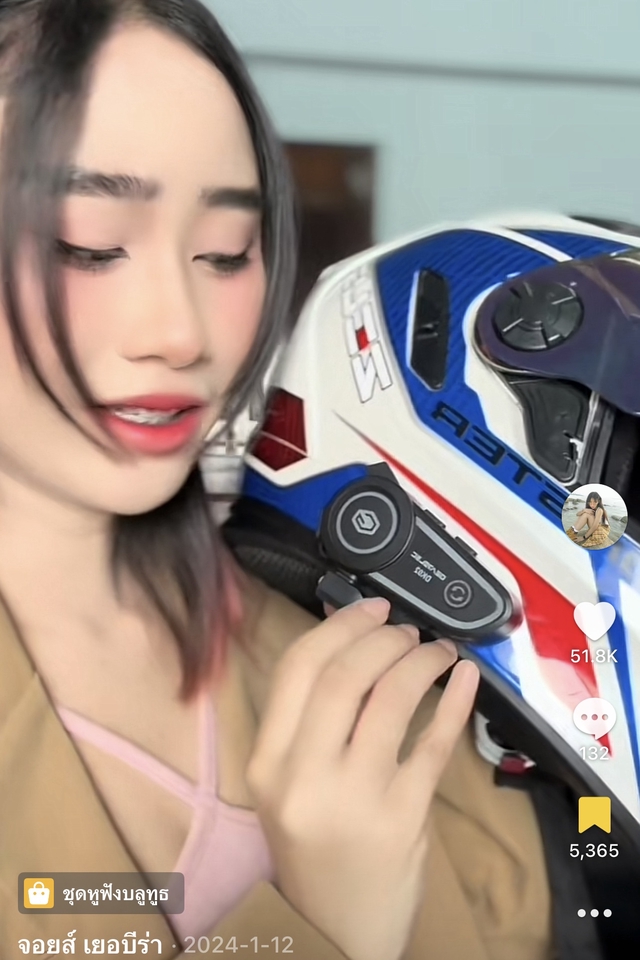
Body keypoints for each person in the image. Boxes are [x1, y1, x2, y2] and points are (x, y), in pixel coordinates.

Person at [0, 2, 552, 958]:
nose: (180, 333)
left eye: (226, 252)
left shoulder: (356, 628)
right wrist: (325, 925)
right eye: (88, 244)